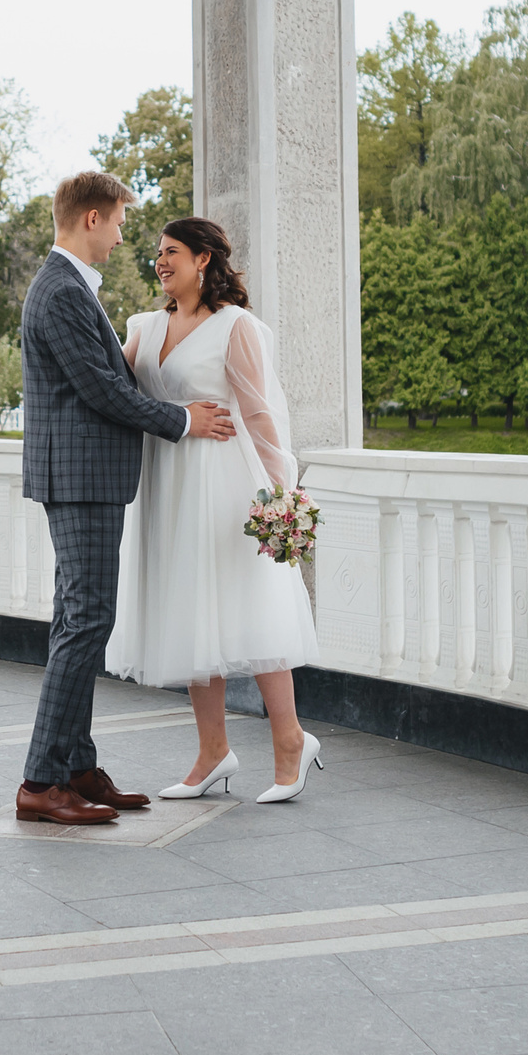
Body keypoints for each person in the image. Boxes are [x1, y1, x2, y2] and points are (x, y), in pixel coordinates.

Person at [14, 173, 237, 827]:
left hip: (83, 477)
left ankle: (76, 765)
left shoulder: (70, 288)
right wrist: (184, 420)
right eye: (116, 222)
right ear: (90, 219)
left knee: (75, 621)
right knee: (86, 623)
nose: (120, 237)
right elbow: (101, 392)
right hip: (79, 479)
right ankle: (40, 780)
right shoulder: (60, 291)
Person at [108, 217, 326, 802]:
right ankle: (212, 753)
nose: (160, 261)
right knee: (190, 614)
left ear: (204, 259)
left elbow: (259, 413)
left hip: (222, 482)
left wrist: (283, 493)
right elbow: (115, 385)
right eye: (157, 252)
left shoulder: (236, 327)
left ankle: (290, 742)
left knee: (246, 606)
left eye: (171, 252)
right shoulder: (144, 327)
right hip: (167, 484)